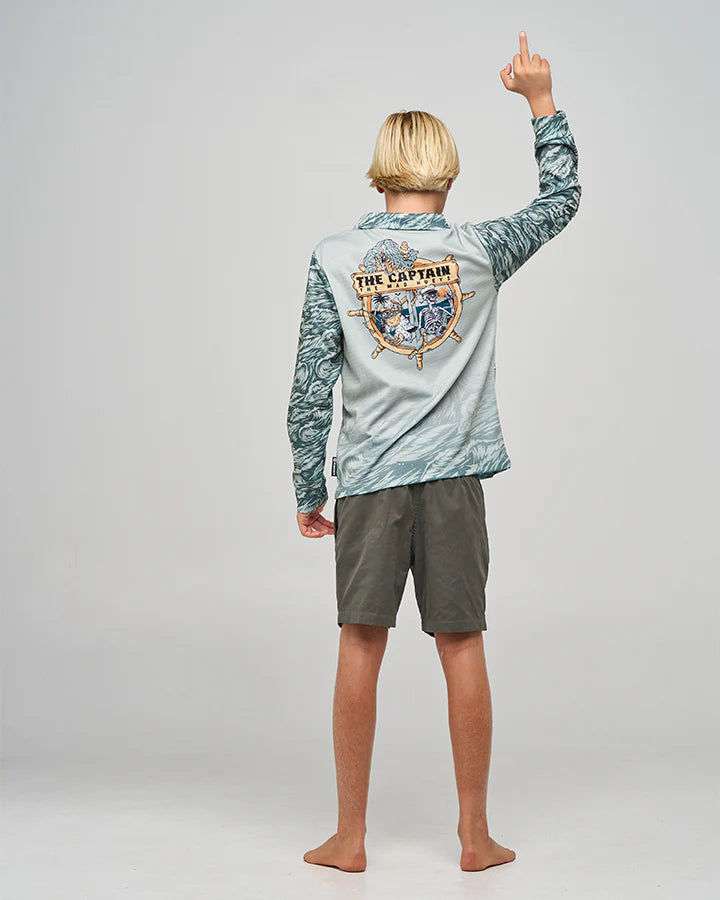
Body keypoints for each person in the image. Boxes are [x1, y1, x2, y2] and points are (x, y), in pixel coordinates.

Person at [286, 30, 582, 873]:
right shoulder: (480, 250)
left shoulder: (337, 259)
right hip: (454, 481)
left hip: (369, 483)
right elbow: (561, 199)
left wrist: (308, 486)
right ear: (448, 177)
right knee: (461, 643)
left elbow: (310, 386)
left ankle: (349, 840)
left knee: (359, 643)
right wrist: (540, 101)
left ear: (377, 175)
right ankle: (476, 837)